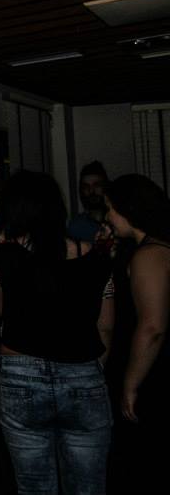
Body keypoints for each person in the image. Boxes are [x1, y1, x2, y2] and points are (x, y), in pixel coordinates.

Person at [0, 170, 114, 495]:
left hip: (20, 374)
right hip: (83, 372)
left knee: (34, 487)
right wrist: (94, 371)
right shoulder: (97, 257)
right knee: (88, 487)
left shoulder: (3, 254)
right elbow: (106, 325)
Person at [103, 174, 170, 494]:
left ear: (128, 209)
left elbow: (151, 326)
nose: (107, 216)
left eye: (110, 208)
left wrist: (131, 383)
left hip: (152, 371)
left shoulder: (150, 254)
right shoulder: (148, 249)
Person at [67, 161, 109, 242]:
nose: (91, 191)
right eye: (86, 187)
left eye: (96, 185)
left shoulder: (118, 222)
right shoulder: (76, 227)